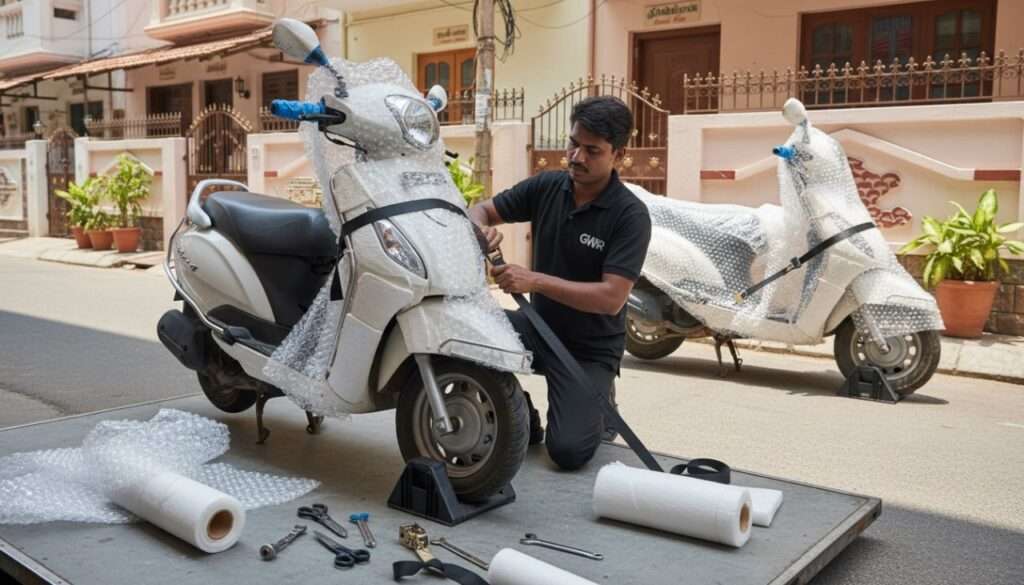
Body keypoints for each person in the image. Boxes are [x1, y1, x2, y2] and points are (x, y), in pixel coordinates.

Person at [468, 96, 652, 470]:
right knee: (465, 329)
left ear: (618, 155)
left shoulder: (630, 215)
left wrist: (533, 280)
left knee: (567, 452)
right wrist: (480, 230)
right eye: (573, 144)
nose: (576, 157)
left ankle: (599, 400)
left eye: (592, 151)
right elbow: (481, 209)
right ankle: (518, 412)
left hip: (589, 349)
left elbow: (611, 298)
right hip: (538, 327)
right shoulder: (548, 186)